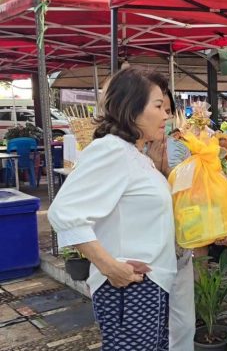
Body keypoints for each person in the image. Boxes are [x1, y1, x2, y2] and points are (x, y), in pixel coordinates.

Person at [48, 68, 176, 350]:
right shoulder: (112, 150)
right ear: (132, 110)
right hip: (130, 288)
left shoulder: (134, 153)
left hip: (148, 284)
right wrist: (109, 266)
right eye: (158, 106)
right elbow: (64, 212)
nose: (166, 115)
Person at [144, 75, 194, 351]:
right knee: (151, 331)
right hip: (146, 257)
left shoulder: (181, 144)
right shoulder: (124, 151)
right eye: (157, 106)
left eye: (166, 107)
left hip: (178, 248)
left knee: (184, 325)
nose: (164, 114)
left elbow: (189, 195)